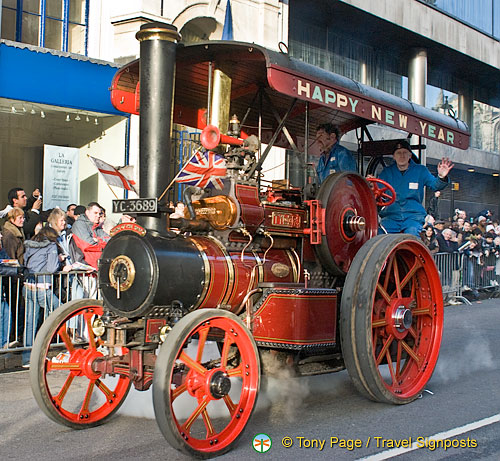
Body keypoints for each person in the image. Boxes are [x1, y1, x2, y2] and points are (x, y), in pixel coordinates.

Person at [377, 140, 454, 236]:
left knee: (411, 234)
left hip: (413, 216)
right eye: (398, 153)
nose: (402, 156)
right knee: (379, 235)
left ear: (410, 155)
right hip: (391, 216)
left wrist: (442, 177)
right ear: (394, 156)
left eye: (405, 153)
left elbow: (435, 185)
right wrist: (370, 185)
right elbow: (377, 190)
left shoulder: (420, 170)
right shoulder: (387, 172)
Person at [23, 226, 68, 366]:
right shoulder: (51, 246)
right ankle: (66, 347)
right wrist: (60, 261)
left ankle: (27, 358)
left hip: (28, 285)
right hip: (42, 287)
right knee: (64, 313)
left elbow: (25, 262)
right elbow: (51, 268)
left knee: (30, 322)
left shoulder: (30, 244)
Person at [71, 202, 109, 269]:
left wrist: (98, 240)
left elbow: (110, 241)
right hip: (86, 267)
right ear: (87, 212)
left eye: (99, 213)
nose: (98, 216)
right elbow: (88, 245)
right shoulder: (79, 224)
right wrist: (101, 245)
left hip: (98, 266)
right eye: (95, 213)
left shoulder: (96, 227)